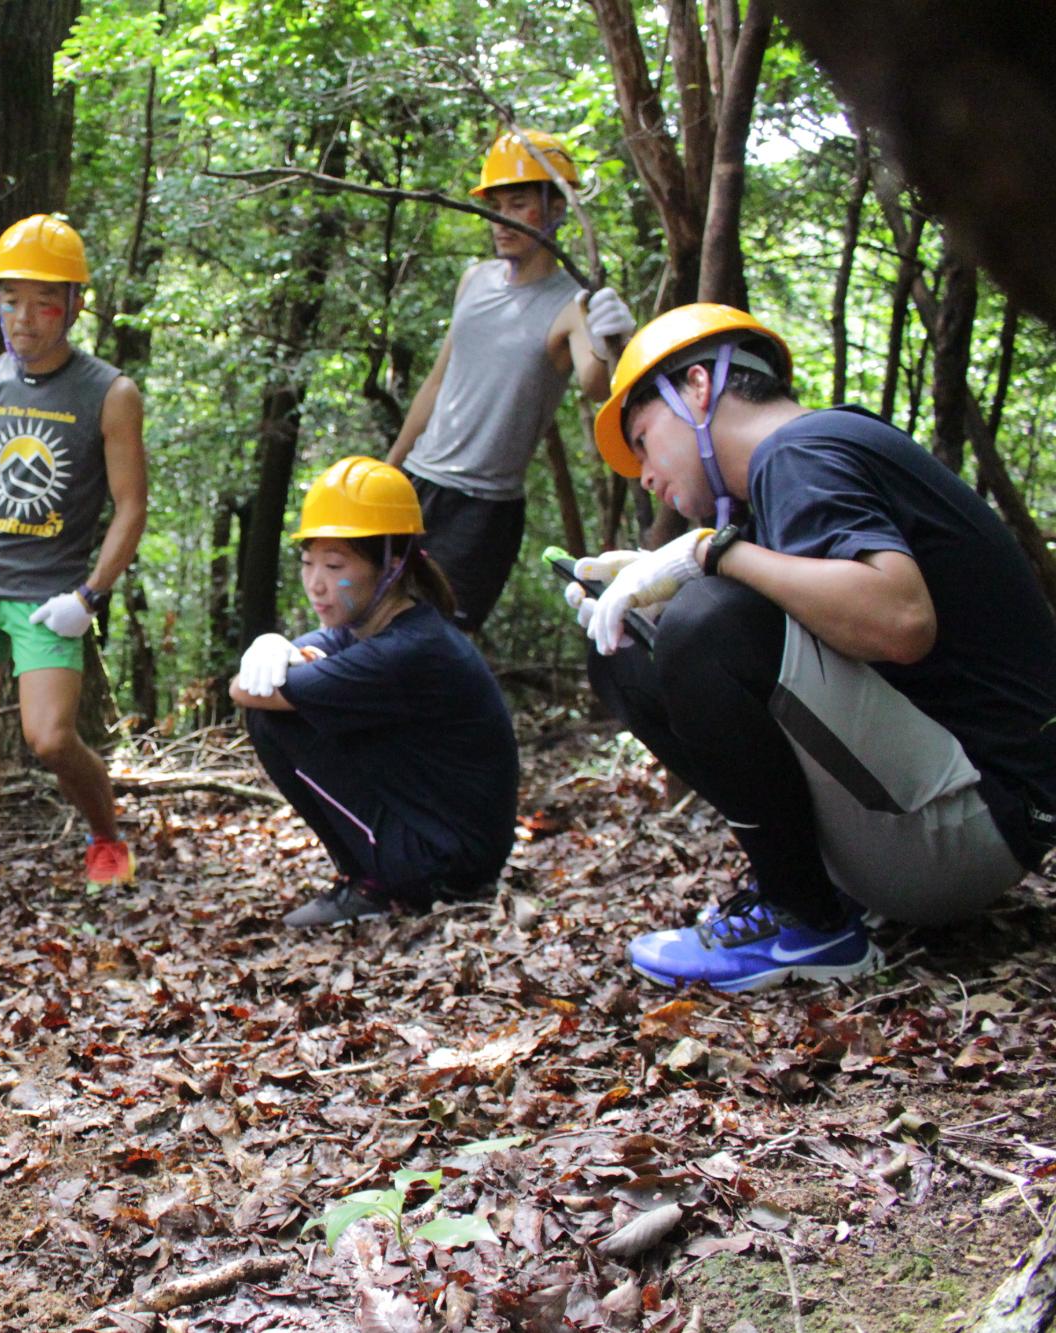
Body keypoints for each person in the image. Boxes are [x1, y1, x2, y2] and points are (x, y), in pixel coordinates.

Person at [569, 303, 1056, 991]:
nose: (643, 475)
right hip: (962, 817)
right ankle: (807, 893)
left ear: (700, 388)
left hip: (972, 823)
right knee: (623, 643)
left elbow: (901, 620)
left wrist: (710, 553)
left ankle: (805, 921)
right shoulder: (810, 457)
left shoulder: (798, 452)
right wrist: (670, 581)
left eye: (644, 440)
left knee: (705, 617)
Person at [0, 214, 148, 902]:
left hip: (47, 595)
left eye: (43, 302)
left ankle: (106, 838)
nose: (25, 318)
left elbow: (131, 507)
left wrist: (90, 595)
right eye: (11, 300)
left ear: (73, 305)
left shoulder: (110, 393)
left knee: (48, 736)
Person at [232, 457, 518, 927]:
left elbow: (251, 692)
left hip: (446, 864)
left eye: (335, 564)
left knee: (276, 716)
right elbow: (267, 674)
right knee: (287, 704)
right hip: (446, 843)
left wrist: (266, 660)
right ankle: (373, 877)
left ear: (392, 563)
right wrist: (275, 645)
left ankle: (374, 884)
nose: (316, 583)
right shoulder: (369, 627)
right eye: (308, 563)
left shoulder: (408, 650)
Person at [387, 128, 637, 633]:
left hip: (484, 510)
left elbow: (594, 382)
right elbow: (437, 383)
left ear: (555, 207)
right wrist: (390, 471)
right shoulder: (474, 280)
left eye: (517, 203)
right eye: (494, 204)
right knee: (374, 616)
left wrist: (617, 342)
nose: (499, 219)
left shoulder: (572, 305)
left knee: (437, 639)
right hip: (418, 482)